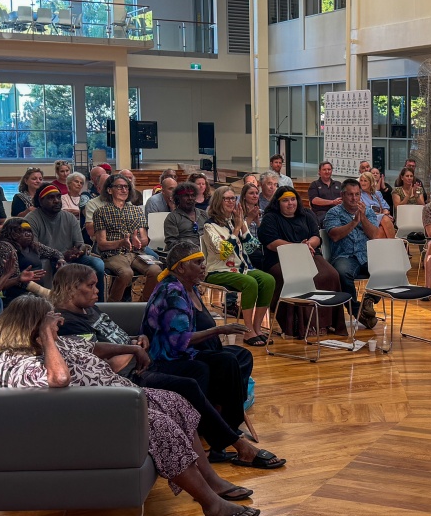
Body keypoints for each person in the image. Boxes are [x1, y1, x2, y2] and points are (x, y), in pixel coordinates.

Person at [0, 295, 263, 516]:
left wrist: (129, 347)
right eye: (50, 320)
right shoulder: (15, 362)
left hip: (116, 403)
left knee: (176, 402)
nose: (57, 323)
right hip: (91, 418)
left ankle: (211, 481)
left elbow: (91, 347)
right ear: (32, 327)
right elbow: (59, 380)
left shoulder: (53, 345)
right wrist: (47, 337)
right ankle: (212, 506)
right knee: (160, 425)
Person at [52, 263, 277, 467]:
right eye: (90, 286)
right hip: (128, 376)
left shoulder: (88, 308)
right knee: (190, 382)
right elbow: (101, 358)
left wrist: (138, 340)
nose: (97, 290)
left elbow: (115, 339)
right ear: (72, 288)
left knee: (213, 365)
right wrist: (133, 349)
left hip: (142, 360)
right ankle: (236, 444)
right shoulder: (66, 322)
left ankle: (218, 437)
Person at [141, 244, 286, 471]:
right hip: (167, 358)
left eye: (202, 262)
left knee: (238, 357)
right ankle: (225, 436)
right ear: (180, 268)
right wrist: (218, 331)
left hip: (186, 352)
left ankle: (224, 430)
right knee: (224, 363)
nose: (203, 266)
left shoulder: (190, 287)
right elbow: (178, 341)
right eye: (197, 263)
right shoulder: (172, 291)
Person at [257, 188, 347, 337]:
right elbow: (271, 243)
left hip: (309, 253)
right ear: (278, 203)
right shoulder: (270, 218)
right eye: (285, 200)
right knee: (298, 279)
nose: (290, 203)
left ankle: (326, 323)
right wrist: (297, 248)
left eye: (292, 199)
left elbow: (316, 237)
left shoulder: (307, 214)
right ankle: (303, 325)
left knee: (330, 275)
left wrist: (308, 245)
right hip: (281, 258)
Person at [202, 186, 274, 346]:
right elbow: (223, 252)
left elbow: (251, 247)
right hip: (217, 270)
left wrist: (242, 225)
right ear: (217, 202)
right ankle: (247, 331)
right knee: (250, 283)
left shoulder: (235, 220)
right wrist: (236, 229)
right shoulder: (210, 226)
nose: (230, 202)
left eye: (232, 198)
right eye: (226, 199)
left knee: (268, 280)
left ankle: (257, 328)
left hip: (241, 268)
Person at [26, 184, 105, 300]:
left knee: (98, 264)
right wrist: (59, 256)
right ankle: (51, 302)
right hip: (46, 258)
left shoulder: (69, 217)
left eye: (58, 197)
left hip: (70, 257)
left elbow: (80, 244)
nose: (57, 201)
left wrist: (77, 252)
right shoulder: (32, 219)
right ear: (41, 200)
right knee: (45, 264)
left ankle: (98, 303)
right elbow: (34, 247)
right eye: (51, 198)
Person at [324, 179, 384, 330]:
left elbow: (375, 235)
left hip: (365, 255)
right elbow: (335, 235)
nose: (354, 198)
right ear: (342, 195)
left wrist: (362, 218)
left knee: (386, 268)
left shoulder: (368, 211)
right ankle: (357, 311)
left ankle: (369, 300)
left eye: (357, 194)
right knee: (342, 273)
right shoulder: (333, 213)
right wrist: (353, 223)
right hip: (344, 256)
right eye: (350, 194)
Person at [93, 173, 160, 302]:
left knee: (156, 270)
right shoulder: (101, 212)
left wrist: (138, 242)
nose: (124, 190)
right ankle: (113, 306)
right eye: (119, 187)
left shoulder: (136, 210)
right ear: (109, 190)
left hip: (136, 253)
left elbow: (145, 239)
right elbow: (101, 244)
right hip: (113, 254)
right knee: (126, 273)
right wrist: (121, 243)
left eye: (126, 187)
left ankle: (143, 304)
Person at [0, 218, 62, 302]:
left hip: (36, 295)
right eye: (22, 231)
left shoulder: (33, 246)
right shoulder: (3, 247)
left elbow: (55, 253)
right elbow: (15, 278)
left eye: (29, 231)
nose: (28, 234)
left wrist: (60, 260)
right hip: (16, 296)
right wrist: (44, 292)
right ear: (11, 233)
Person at [164, 182, 208, 253]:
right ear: (178, 198)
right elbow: (171, 243)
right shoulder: (172, 217)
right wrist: (189, 246)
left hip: (206, 252)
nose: (190, 198)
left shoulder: (204, 214)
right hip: (184, 255)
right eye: (186, 196)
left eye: (193, 195)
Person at [357, 170, 396, 238]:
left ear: (371, 182)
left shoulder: (377, 194)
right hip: (367, 219)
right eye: (361, 180)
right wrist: (383, 215)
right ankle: (394, 244)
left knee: (381, 230)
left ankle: (389, 246)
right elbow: (364, 211)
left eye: (365, 181)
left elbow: (385, 207)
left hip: (379, 219)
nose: (362, 183)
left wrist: (386, 212)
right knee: (385, 219)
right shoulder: (358, 195)